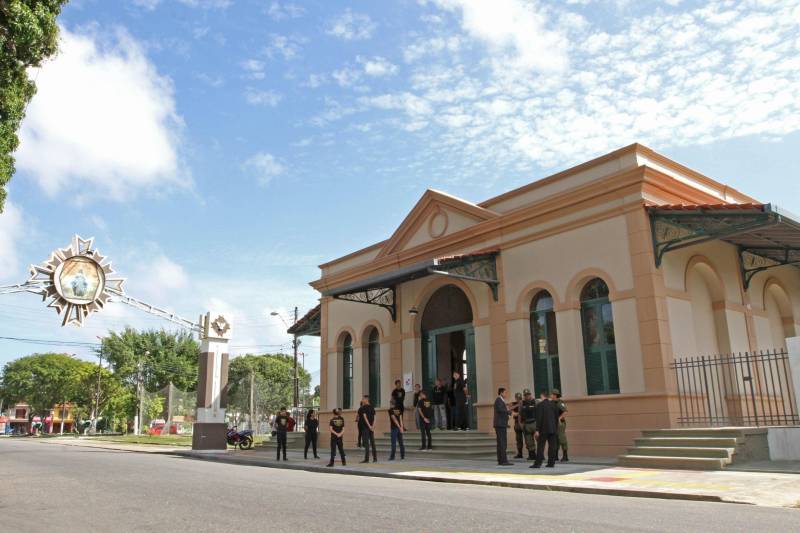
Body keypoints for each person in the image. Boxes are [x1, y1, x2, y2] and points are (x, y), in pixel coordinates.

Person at [531, 389, 560, 468]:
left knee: (540, 447)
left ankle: (538, 463)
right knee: (552, 447)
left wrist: (537, 430)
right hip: (553, 429)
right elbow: (556, 418)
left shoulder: (540, 405)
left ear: (542, 396)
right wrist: (555, 428)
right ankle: (551, 463)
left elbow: (539, 418)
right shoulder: (554, 405)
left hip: (543, 429)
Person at [493, 387, 513, 466]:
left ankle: (501, 460)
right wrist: (509, 412)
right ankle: (503, 461)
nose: (506, 394)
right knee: (502, 443)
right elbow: (501, 410)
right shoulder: (499, 400)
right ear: (501, 393)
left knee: (501, 443)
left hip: (501, 424)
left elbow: (502, 410)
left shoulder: (501, 400)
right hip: (500, 425)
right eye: (505, 392)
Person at [358, 395, 377, 463]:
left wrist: (369, 426)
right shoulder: (372, 407)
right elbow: (375, 418)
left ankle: (367, 459)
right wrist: (372, 427)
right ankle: (375, 458)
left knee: (367, 444)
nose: (362, 400)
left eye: (363, 399)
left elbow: (365, 418)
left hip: (365, 428)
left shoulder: (363, 408)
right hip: (371, 428)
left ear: (366, 399)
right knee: (372, 443)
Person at [519, 389, 537, 460]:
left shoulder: (535, 402)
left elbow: (539, 412)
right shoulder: (522, 403)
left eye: (528, 395)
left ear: (530, 395)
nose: (527, 396)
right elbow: (520, 414)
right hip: (526, 424)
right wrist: (520, 423)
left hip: (534, 422)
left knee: (539, 439)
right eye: (525, 395)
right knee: (528, 441)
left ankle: (541, 455)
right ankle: (532, 455)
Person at [555, 389, 569, 462]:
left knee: (562, 439)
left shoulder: (560, 403)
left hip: (560, 424)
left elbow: (565, 412)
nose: (551, 395)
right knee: (555, 440)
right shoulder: (553, 403)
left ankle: (565, 456)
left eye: (552, 394)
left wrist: (559, 418)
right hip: (554, 424)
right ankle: (555, 456)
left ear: (555, 395)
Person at [511, 392, 524, 459]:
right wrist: (518, 405)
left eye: (520, 398)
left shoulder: (524, 403)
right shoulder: (514, 404)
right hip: (517, 423)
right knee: (519, 439)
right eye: (517, 398)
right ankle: (520, 453)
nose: (518, 399)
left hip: (524, 423)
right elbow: (513, 413)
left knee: (528, 439)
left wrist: (518, 413)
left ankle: (531, 453)